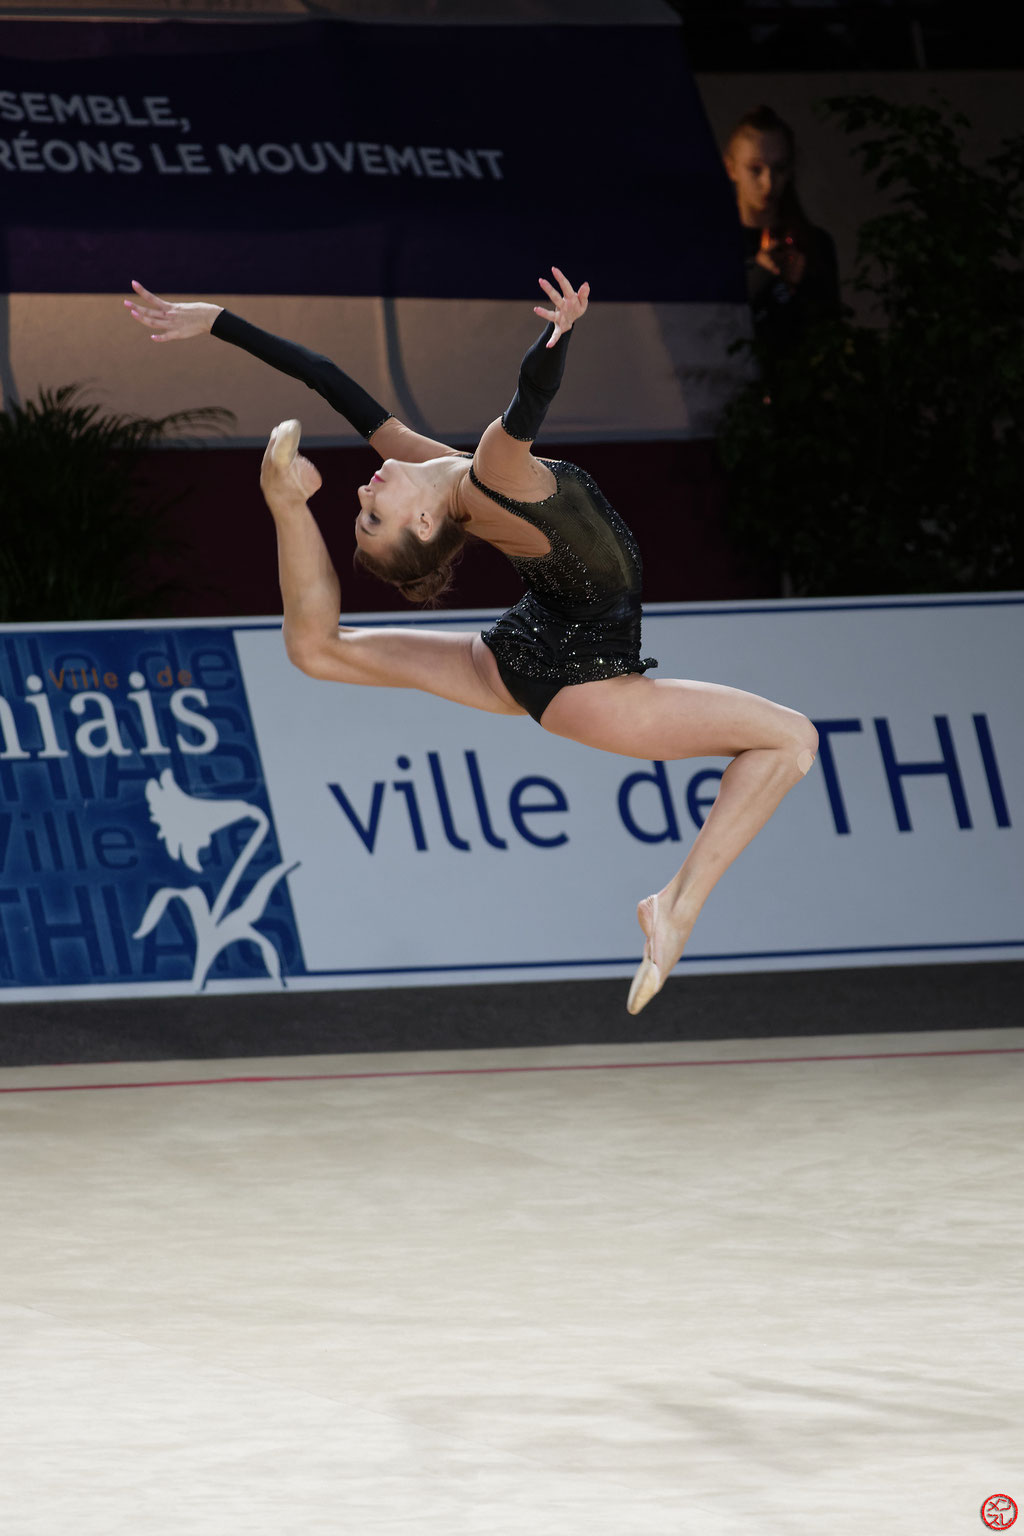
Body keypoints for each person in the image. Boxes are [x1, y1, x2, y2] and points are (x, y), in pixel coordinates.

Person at [126, 270, 819, 1014]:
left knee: (320, 651)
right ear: (422, 526)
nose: (363, 492)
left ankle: (285, 504)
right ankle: (674, 907)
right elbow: (529, 402)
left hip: (525, 652)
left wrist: (218, 320)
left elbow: (326, 377)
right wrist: (558, 335)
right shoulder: (489, 475)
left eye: (358, 509)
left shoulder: (426, 464)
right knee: (791, 741)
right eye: (371, 515)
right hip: (581, 680)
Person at [724, 104, 840, 350]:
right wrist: (760, 278)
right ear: (731, 168)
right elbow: (712, 334)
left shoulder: (813, 244)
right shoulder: (713, 245)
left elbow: (828, 336)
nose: (768, 182)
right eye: (755, 169)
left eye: (779, 168)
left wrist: (795, 287)